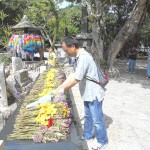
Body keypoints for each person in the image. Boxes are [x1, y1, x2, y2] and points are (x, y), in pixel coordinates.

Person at [57, 36, 108, 150]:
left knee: (97, 120)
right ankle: (88, 136)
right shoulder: (78, 57)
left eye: (66, 50)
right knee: (88, 116)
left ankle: (102, 141)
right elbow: (73, 74)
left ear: (73, 47)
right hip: (87, 93)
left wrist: (63, 89)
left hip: (93, 93)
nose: (66, 53)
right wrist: (62, 85)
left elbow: (77, 78)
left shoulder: (84, 57)